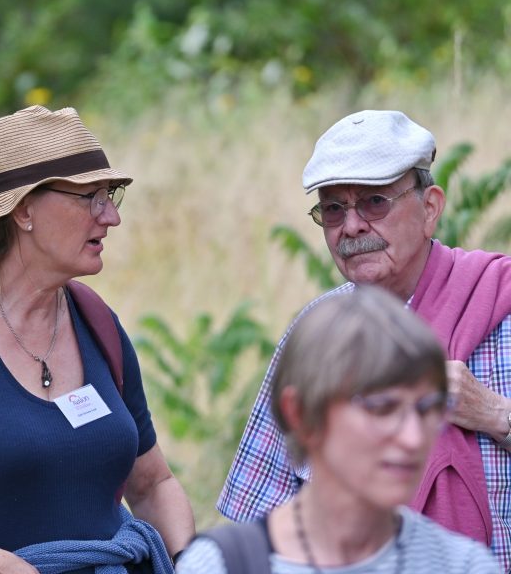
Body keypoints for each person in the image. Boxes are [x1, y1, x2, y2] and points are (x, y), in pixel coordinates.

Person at [0, 105, 195, 573]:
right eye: (90, 197)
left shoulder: (97, 322)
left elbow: (151, 485)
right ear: (23, 209)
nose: (110, 217)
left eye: (111, 196)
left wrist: (193, 560)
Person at [217, 110, 511, 570]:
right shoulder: (318, 334)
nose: (351, 226)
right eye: (333, 209)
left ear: (430, 207)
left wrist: (496, 414)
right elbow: (261, 507)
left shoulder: (502, 307)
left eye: (375, 202)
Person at [179, 287, 500, 573]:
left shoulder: (465, 564)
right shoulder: (220, 565)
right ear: (302, 415)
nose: (414, 438)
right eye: (383, 408)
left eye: (426, 408)